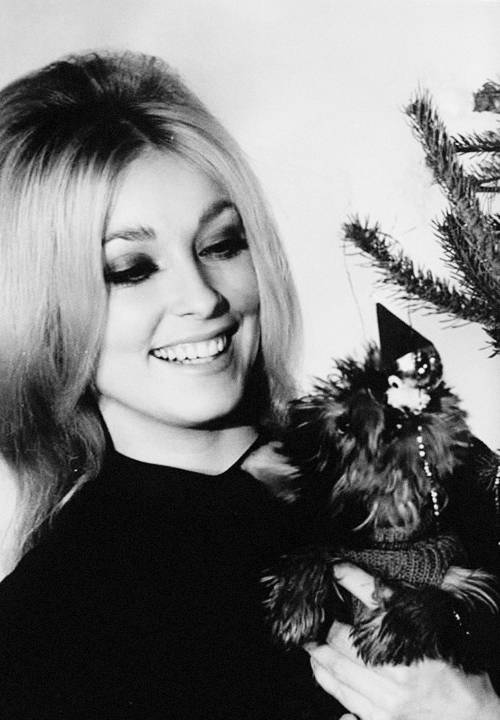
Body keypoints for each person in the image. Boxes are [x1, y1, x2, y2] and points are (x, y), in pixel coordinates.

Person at [0, 49, 498, 720]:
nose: (202, 297)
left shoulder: (414, 463)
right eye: (130, 269)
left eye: (220, 245)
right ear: (43, 314)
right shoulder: (44, 629)